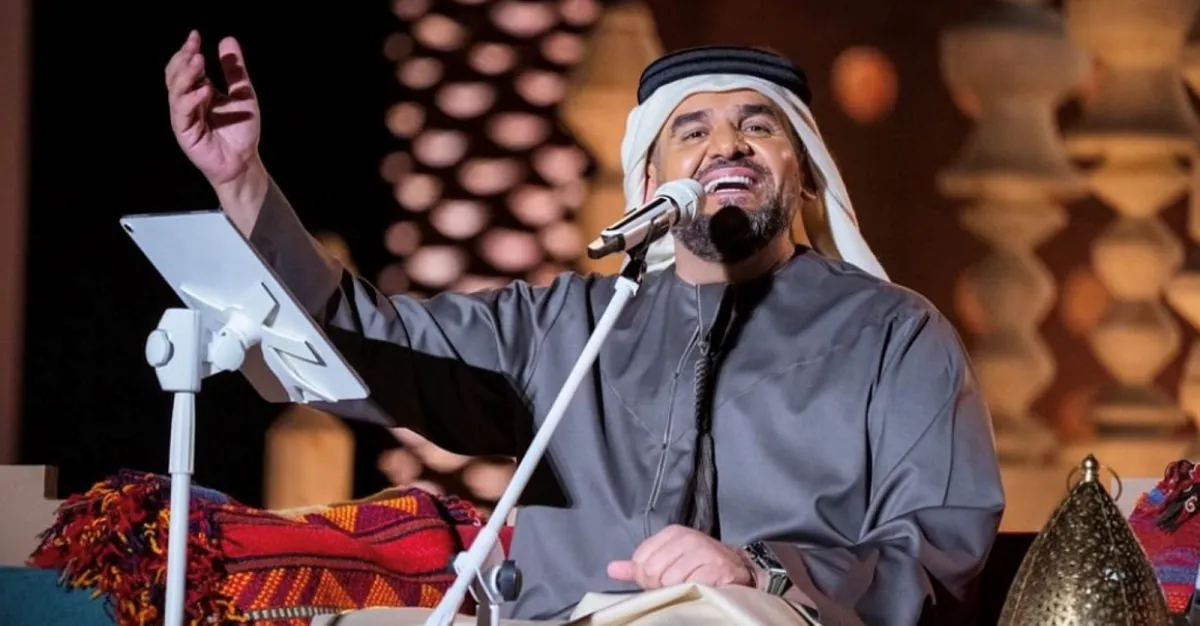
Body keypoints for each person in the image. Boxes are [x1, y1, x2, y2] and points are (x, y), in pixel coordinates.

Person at [164, 31, 1005, 625]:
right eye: (693, 129)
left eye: (759, 125)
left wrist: (763, 574)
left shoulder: (894, 334)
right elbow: (368, 346)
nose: (728, 145)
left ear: (806, 172)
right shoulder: (564, 327)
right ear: (648, 181)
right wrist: (243, 185)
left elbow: (939, 547)